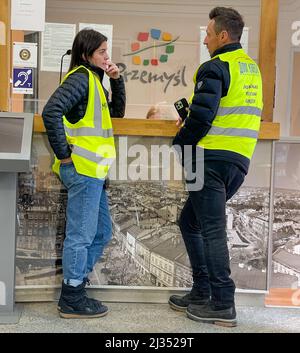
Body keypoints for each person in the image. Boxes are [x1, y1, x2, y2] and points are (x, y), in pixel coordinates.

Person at [169, 7, 262, 327]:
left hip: (208, 159)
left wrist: (180, 142)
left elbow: (202, 118)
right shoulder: (251, 69)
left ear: (223, 36)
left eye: (208, 34)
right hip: (238, 162)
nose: (205, 39)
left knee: (209, 230)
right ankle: (201, 291)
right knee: (190, 222)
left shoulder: (214, 67)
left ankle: (222, 302)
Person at [42, 28, 125, 318]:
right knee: (81, 235)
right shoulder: (80, 78)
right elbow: (50, 111)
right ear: (87, 53)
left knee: (100, 232)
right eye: (102, 51)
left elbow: (117, 113)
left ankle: (75, 286)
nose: (107, 56)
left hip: (94, 172)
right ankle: (72, 296)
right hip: (82, 169)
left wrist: (117, 80)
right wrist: (64, 156)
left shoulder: (95, 81)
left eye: (107, 51)